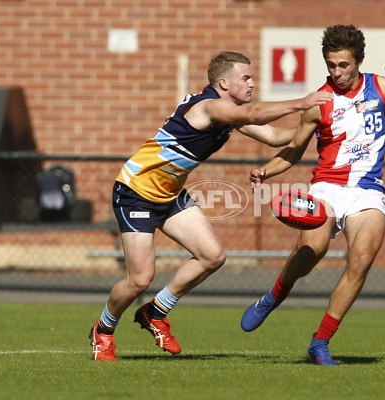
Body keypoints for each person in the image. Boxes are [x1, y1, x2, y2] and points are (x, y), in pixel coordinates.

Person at [89, 51, 332, 361]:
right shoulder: (209, 107)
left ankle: (155, 312)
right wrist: (303, 102)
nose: (251, 83)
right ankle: (103, 330)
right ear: (223, 82)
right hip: (136, 191)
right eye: (245, 78)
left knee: (212, 256)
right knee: (139, 279)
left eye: (251, 77)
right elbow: (255, 116)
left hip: (169, 193)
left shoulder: (227, 112)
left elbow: (272, 136)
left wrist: (316, 127)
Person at [241, 25, 385, 366]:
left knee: (360, 261)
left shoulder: (381, 86)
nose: (336, 72)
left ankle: (320, 342)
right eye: (330, 65)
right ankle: (273, 295)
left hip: (368, 192)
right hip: (327, 187)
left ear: (358, 61)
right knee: (312, 250)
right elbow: (293, 150)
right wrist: (266, 170)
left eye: (342, 65)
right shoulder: (319, 103)